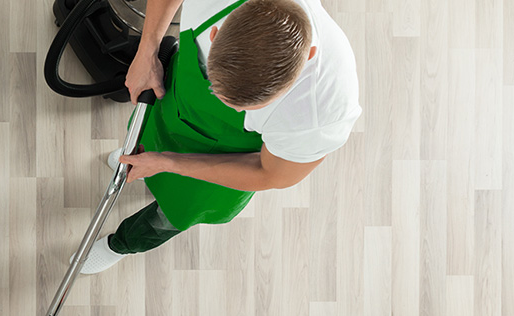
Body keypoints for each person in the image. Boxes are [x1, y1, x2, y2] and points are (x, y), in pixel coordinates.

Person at [78, 0, 362, 273]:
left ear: (309, 56)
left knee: (171, 215)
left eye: (249, 106)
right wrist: (147, 49)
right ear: (215, 33)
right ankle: (140, 158)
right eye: (220, 91)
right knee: (144, 139)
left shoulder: (321, 110)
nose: (236, 109)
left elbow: (270, 173)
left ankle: (122, 244)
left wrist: (169, 163)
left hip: (233, 160)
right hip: (178, 104)